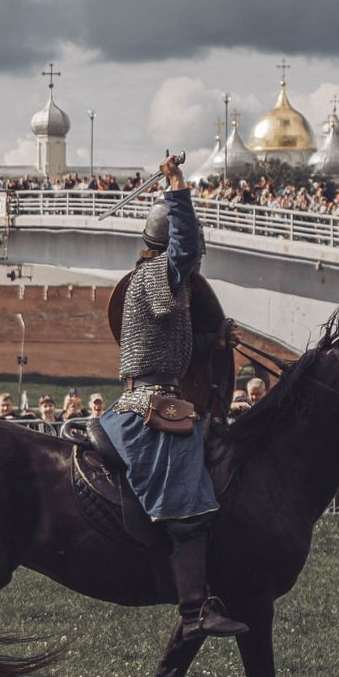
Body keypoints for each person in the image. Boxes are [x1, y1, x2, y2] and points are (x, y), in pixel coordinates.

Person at [99, 154, 245, 638]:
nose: (193, 261)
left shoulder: (148, 283)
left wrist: (213, 344)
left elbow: (167, 348)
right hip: (149, 407)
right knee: (188, 497)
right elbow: (182, 250)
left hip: (151, 391)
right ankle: (193, 610)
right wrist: (177, 188)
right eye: (190, 253)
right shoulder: (160, 272)